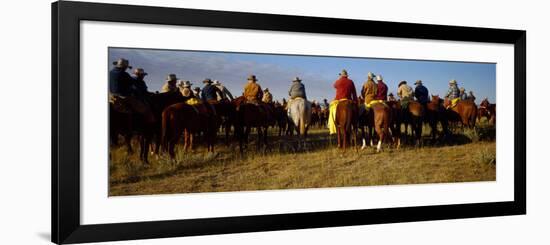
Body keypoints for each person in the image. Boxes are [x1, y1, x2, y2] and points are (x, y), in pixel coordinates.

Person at [108, 58, 155, 123]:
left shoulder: (110, 73)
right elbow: (133, 85)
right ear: (124, 67)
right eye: (126, 67)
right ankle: (150, 124)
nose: (126, 69)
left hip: (111, 96)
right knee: (145, 110)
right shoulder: (124, 74)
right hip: (124, 97)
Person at [328, 69, 358, 134]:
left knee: (331, 109)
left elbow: (334, 86)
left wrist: (340, 79)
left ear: (341, 75)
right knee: (356, 112)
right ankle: (355, 124)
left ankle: (332, 125)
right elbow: (354, 93)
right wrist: (355, 102)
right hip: (348, 100)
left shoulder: (338, 81)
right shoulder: (351, 81)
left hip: (339, 99)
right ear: (346, 75)